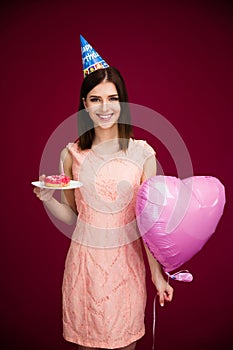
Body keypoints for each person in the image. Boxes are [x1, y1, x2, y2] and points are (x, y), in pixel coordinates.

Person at [33, 38, 173, 350]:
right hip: (85, 269)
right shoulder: (71, 154)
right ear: (85, 104)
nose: (105, 107)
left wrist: (157, 276)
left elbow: (147, 226)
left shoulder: (142, 154)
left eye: (112, 98)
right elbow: (74, 216)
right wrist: (49, 199)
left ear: (123, 102)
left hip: (126, 270)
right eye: (96, 99)